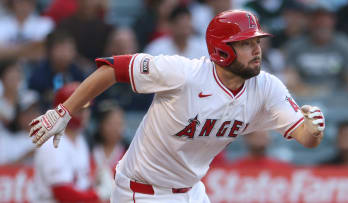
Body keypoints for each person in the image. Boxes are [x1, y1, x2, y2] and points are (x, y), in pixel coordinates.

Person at [28, 10, 325, 203]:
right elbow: (112, 68)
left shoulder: (267, 86)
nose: (257, 49)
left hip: (192, 191)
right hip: (142, 192)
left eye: (258, 41)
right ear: (222, 50)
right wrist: (64, 111)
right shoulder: (182, 73)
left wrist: (314, 128)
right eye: (246, 43)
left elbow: (306, 138)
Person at [32, 82, 110, 203]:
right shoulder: (52, 143)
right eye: (80, 109)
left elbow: (82, 182)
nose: (85, 114)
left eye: (87, 109)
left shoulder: (81, 139)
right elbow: (62, 192)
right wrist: (97, 196)